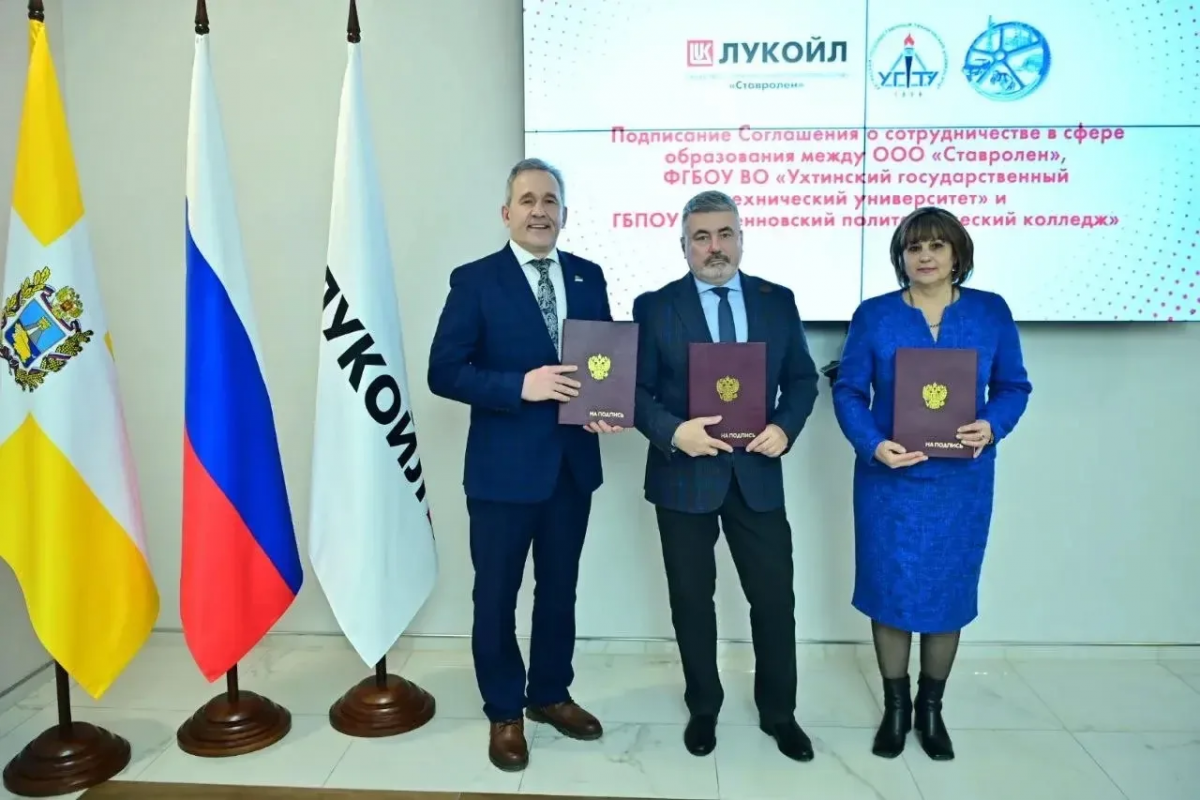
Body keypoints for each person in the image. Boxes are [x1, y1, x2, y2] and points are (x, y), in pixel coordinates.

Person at [427, 158, 623, 772]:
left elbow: (601, 363)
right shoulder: (475, 280)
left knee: (559, 589)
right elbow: (444, 371)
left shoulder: (589, 276)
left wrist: (605, 407)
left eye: (550, 201)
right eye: (529, 200)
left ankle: (550, 694)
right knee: (496, 595)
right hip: (502, 473)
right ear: (507, 212)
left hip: (571, 467)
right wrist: (520, 386)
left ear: (564, 213)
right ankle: (504, 709)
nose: (540, 211)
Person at [831, 205, 1032, 762]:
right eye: (914, 246)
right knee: (890, 590)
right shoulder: (874, 315)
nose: (925, 256)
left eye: (936, 245)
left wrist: (992, 425)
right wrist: (873, 443)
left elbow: (1014, 386)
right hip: (889, 481)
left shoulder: (991, 312)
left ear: (957, 253)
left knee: (947, 592)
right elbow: (849, 391)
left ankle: (931, 709)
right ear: (901, 256)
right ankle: (895, 710)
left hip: (961, 483)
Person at [631, 190, 820, 761]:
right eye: (702, 236)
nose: (715, 247)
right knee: (692, 600)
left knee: (774, 599)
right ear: (684, 245)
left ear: (741, 238)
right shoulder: (655, 306)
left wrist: (785, 427)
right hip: (683, 475)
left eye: (725, 234)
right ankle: (704, 707)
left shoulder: (776, 301)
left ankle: (779, 713)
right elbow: (634, 392)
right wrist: (673, 432)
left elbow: (803, 380)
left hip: (756, 474)